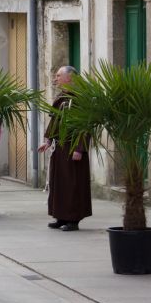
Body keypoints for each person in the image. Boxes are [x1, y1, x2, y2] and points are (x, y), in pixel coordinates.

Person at [38, 66, 91, 232]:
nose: (55, 79)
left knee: (72, 184)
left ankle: (73, 219)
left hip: (73, 147)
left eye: (59, 75)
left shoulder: (81, 97)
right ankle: (60, 217)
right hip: (60, 148)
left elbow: (85, 125)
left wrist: (79, 148)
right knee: (59, 183)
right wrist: (48, 141)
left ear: (70, 77)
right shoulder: (62, 97)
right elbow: (55, 121)